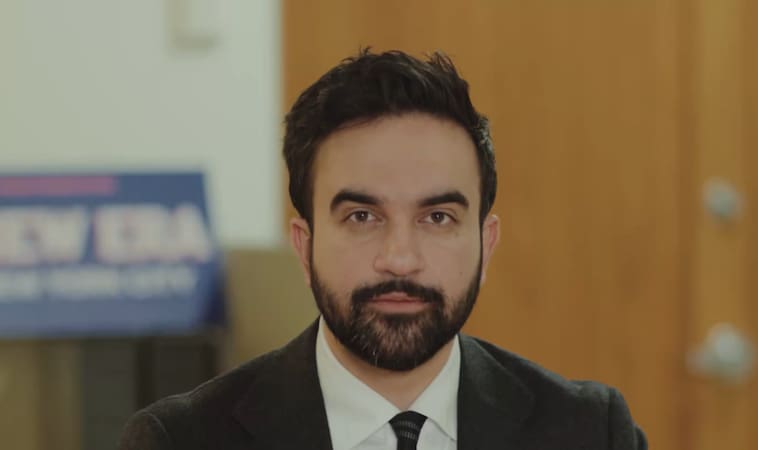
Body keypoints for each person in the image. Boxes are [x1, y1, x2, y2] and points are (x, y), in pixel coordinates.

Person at [118, 49, 647, 450]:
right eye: (362, 217)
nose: (399, 258)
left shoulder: (590, 431)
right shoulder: (181, 439)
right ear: (304, 247)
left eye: (437, 218)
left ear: (486, 245)